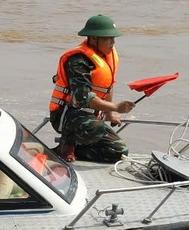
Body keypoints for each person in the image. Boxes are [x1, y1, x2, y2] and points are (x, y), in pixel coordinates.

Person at [48, 13, 135, 164]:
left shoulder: (107, 56)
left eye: (113, 38)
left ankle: (74, 150)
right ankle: (66, 143)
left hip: (93, 116)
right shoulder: (78, 61)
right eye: (108, 38)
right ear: (93, 38)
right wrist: (115, 107)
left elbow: (108, 87)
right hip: (67, 115)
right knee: (95, 128)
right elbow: (81, 99)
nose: (113, 42)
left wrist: (109, 113)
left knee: (118, 152)